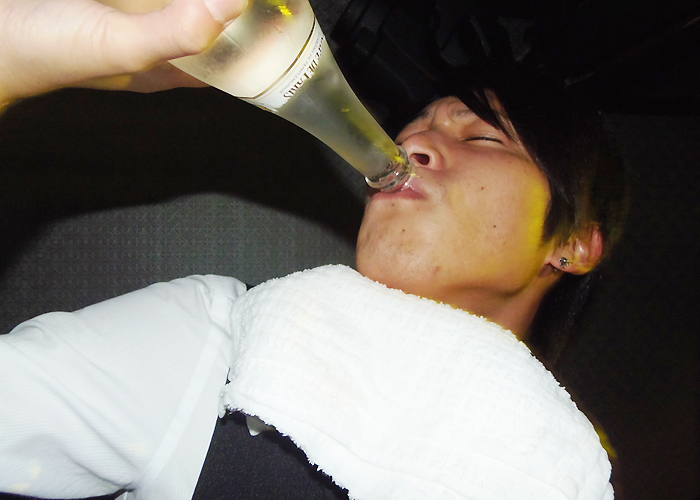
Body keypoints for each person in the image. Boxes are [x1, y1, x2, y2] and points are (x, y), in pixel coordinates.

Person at [0, 1, 628, 499]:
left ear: (574, 242)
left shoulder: (563, 471)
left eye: (484, 139)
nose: (412, 145)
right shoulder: (229, 345)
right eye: (415, 127)